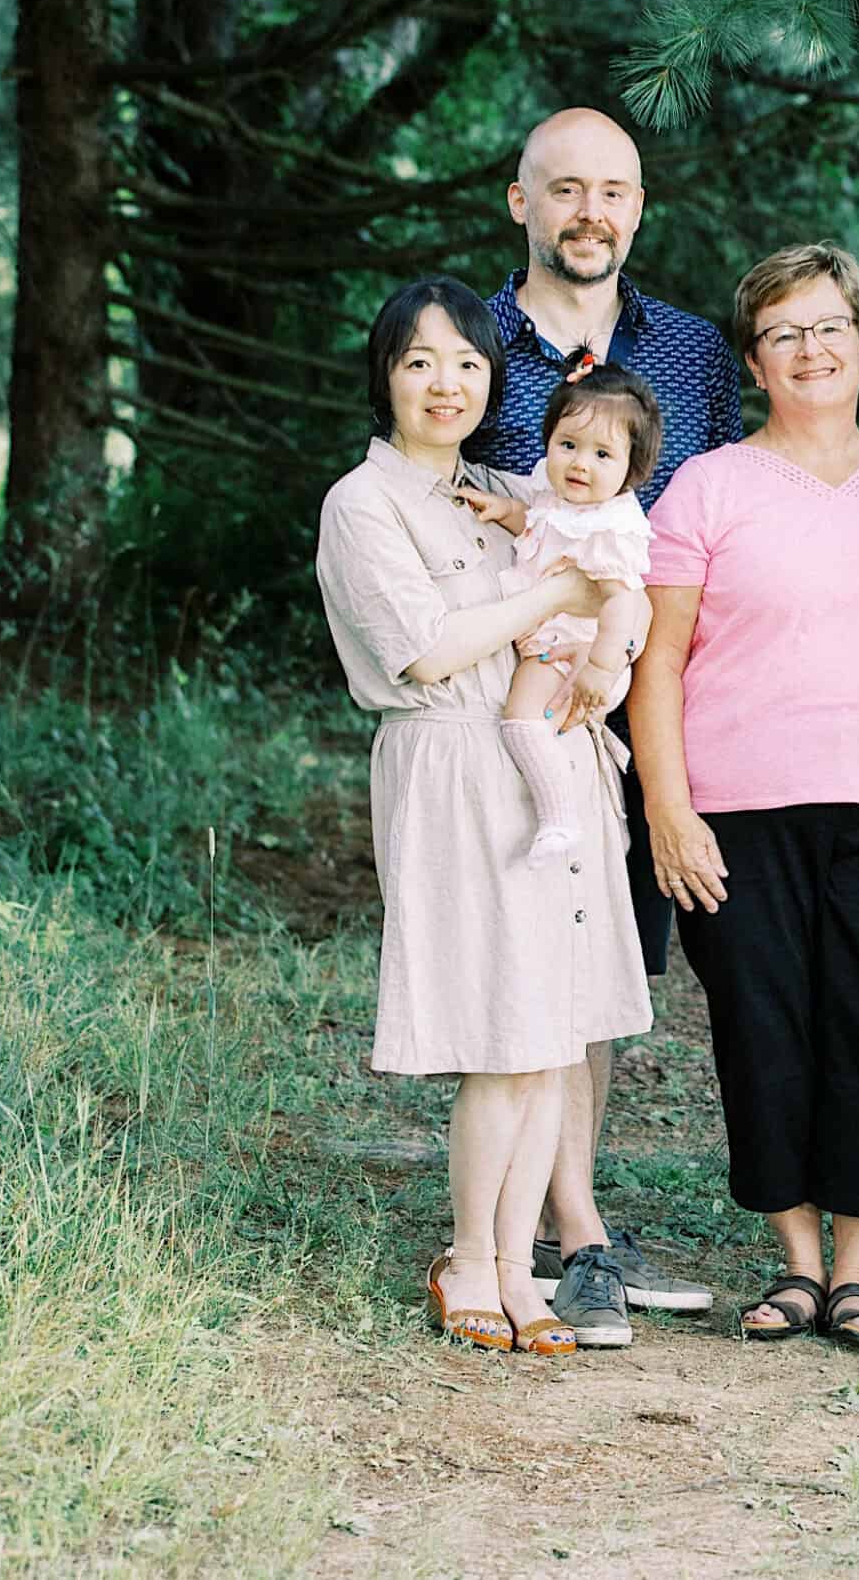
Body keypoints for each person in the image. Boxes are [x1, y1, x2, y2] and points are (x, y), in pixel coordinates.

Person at [633, 244, 859, 1352]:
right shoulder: (706, 486)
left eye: (831, 328)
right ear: (754, 362)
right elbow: (657, 660)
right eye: (785, 334)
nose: (812, 349)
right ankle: (792, 1264)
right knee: (764, 1030)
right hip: (734, 810)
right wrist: (667, 810)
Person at [315, 273, 653, 1357]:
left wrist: (607, 646)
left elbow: (624, 589)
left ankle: (519, 1266)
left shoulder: (517, 485)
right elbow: (429, 648)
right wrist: (558, 597)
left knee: (553, 1037)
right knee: (503, 1032)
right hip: (457, 763)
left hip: (558, 754)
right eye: (420, 361)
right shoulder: (361, 505)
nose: (445, 382)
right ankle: (466, 1256)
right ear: (386, 378)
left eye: (466, 361)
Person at [462, 106, 741, 1339]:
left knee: (598, 952)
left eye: (613, 191)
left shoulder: (687, 352)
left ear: (638, 207)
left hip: (630, 699)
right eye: (563, 188)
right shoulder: (466, 340)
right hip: (499, 698)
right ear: (519, 201)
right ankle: (543, 1234)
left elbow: (717, 523)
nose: (590, 212)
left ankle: (566, 1227)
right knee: (524, 955)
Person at [458, 351, 658, 866]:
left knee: (522, 720)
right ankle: (564, 815)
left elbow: (620, 602)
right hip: (564, 646)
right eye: (568, 445)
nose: (579, 463)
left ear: (631, 470)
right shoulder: (560, 500)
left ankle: (559, 819)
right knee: (529, 721)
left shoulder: (612, 527)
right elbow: (539, 522)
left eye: (602, 455)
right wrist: (503, 509)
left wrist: (600, 667)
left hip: (582, 655)